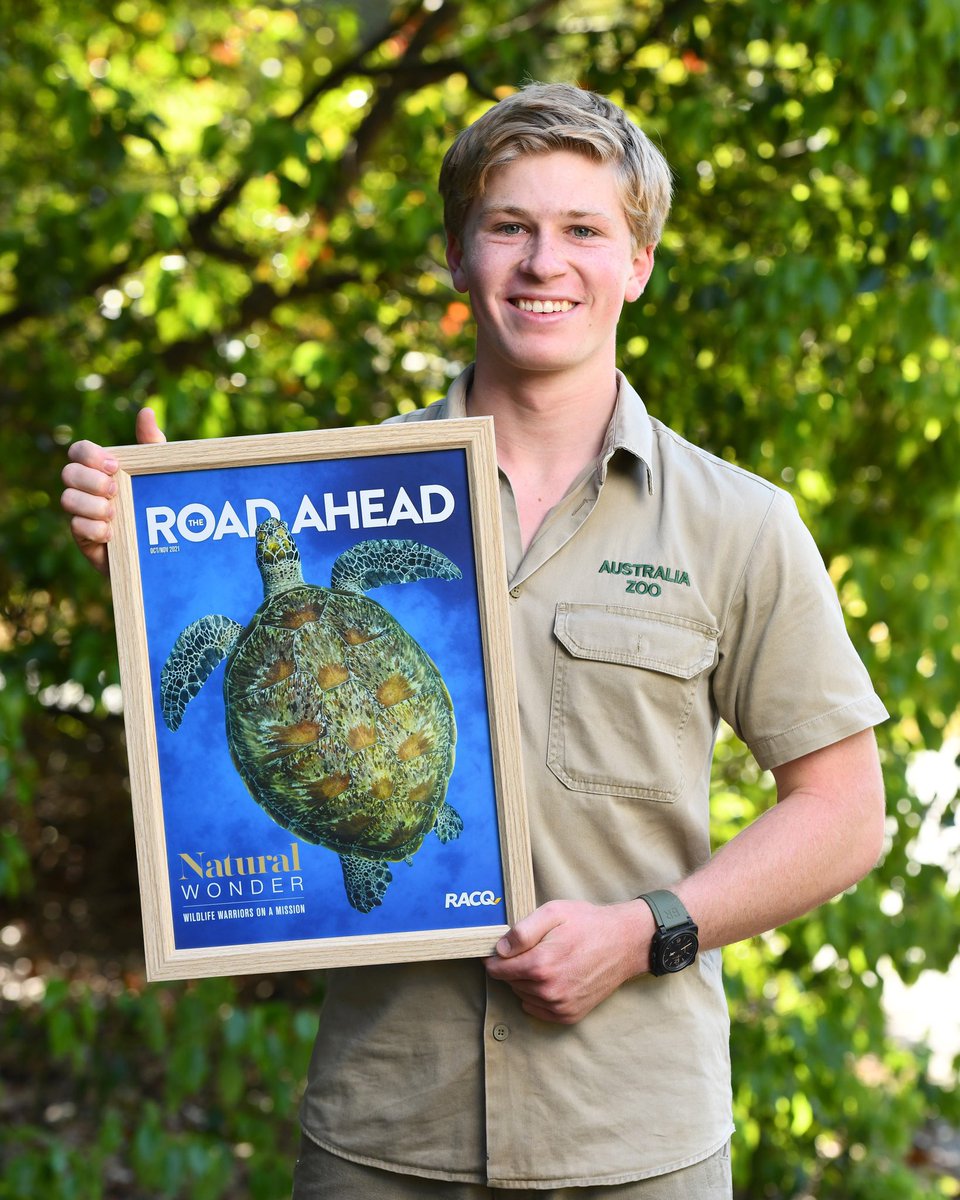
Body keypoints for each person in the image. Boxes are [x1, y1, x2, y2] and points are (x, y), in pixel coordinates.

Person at [61, 83, 888, 1198]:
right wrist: (145, 554)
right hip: (384, 1131)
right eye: (511, 226)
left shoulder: (738, 523)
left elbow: (845, 814)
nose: (545, 262)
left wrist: (652, 932)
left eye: (584, 230)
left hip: (635, 1138)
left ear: (638, 263)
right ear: (458, 256)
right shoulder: (337, 497)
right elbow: (184, 718)